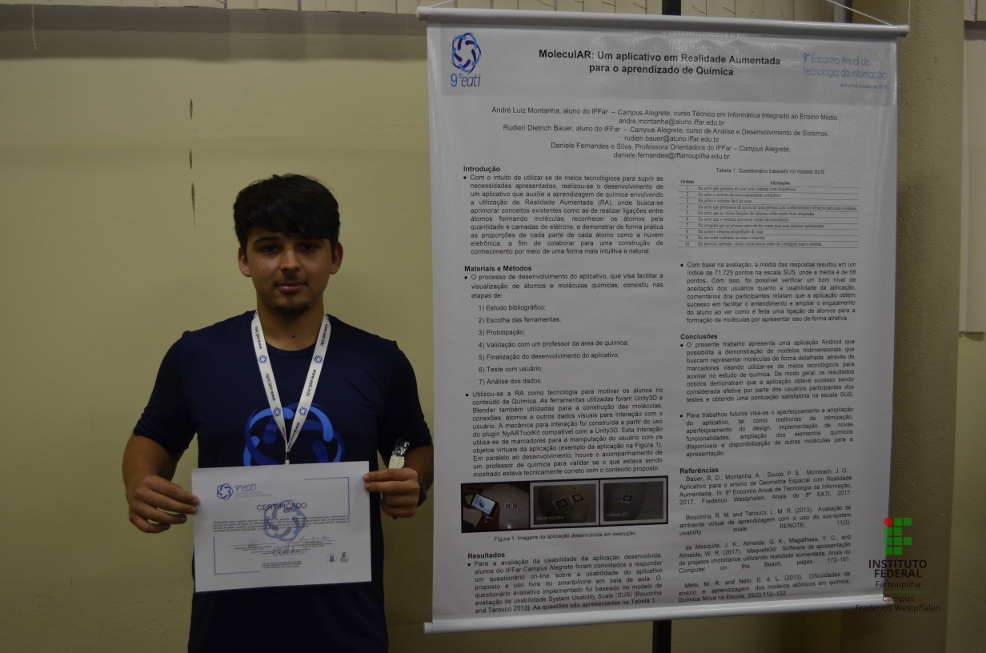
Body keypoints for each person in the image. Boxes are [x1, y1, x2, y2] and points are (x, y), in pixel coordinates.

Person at [122, 174, 433, 653]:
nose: (289, 264)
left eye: (308, 246)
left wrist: (413, 478)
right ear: (244, 260)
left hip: (348, 625)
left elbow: (410, 444)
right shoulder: (197, 355)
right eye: (269, 247)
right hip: (228, 627)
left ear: (335, 257)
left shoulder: (380, 360)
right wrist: (140, 483)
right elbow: (154, 438)